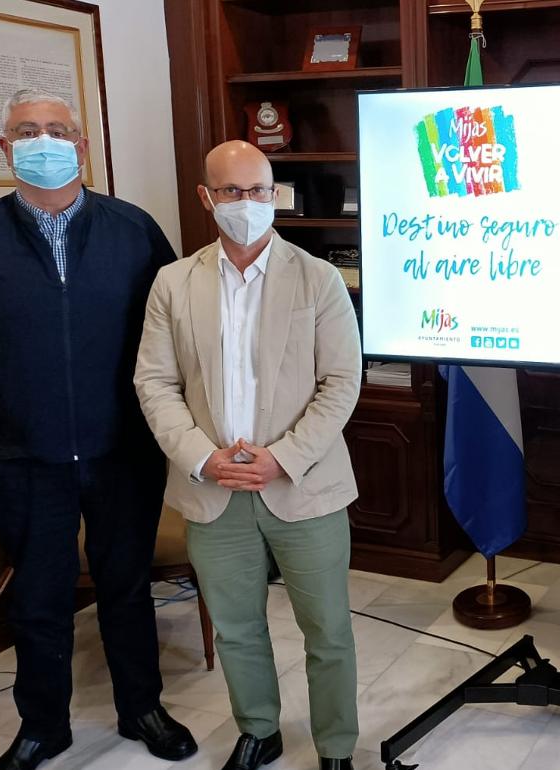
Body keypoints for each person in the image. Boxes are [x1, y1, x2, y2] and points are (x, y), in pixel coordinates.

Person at [0, 89, 195, 770]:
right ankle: (43, 726)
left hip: (123, 452)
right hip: (21, 458)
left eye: (58, 130)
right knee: (38, 600)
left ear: (82, 146)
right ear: (5, 148)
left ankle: (141, 707)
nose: (45, 141)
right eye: (28, 130)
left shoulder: (134, 231)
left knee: (127, 589)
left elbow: (179, 338)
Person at [134, 140, 362, 770]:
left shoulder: (317, 278)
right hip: (214, 490)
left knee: (328, 630)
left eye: (259, 190)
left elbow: (342, 382)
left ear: (274, 195)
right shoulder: (173, 283)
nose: (247, 202)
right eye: (231, 191)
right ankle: (259, 729)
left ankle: (336, 746)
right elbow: (155, 383)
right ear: (206, 198)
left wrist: (283, 457)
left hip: (304, 486)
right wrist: (201, 458)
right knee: (236, 627)